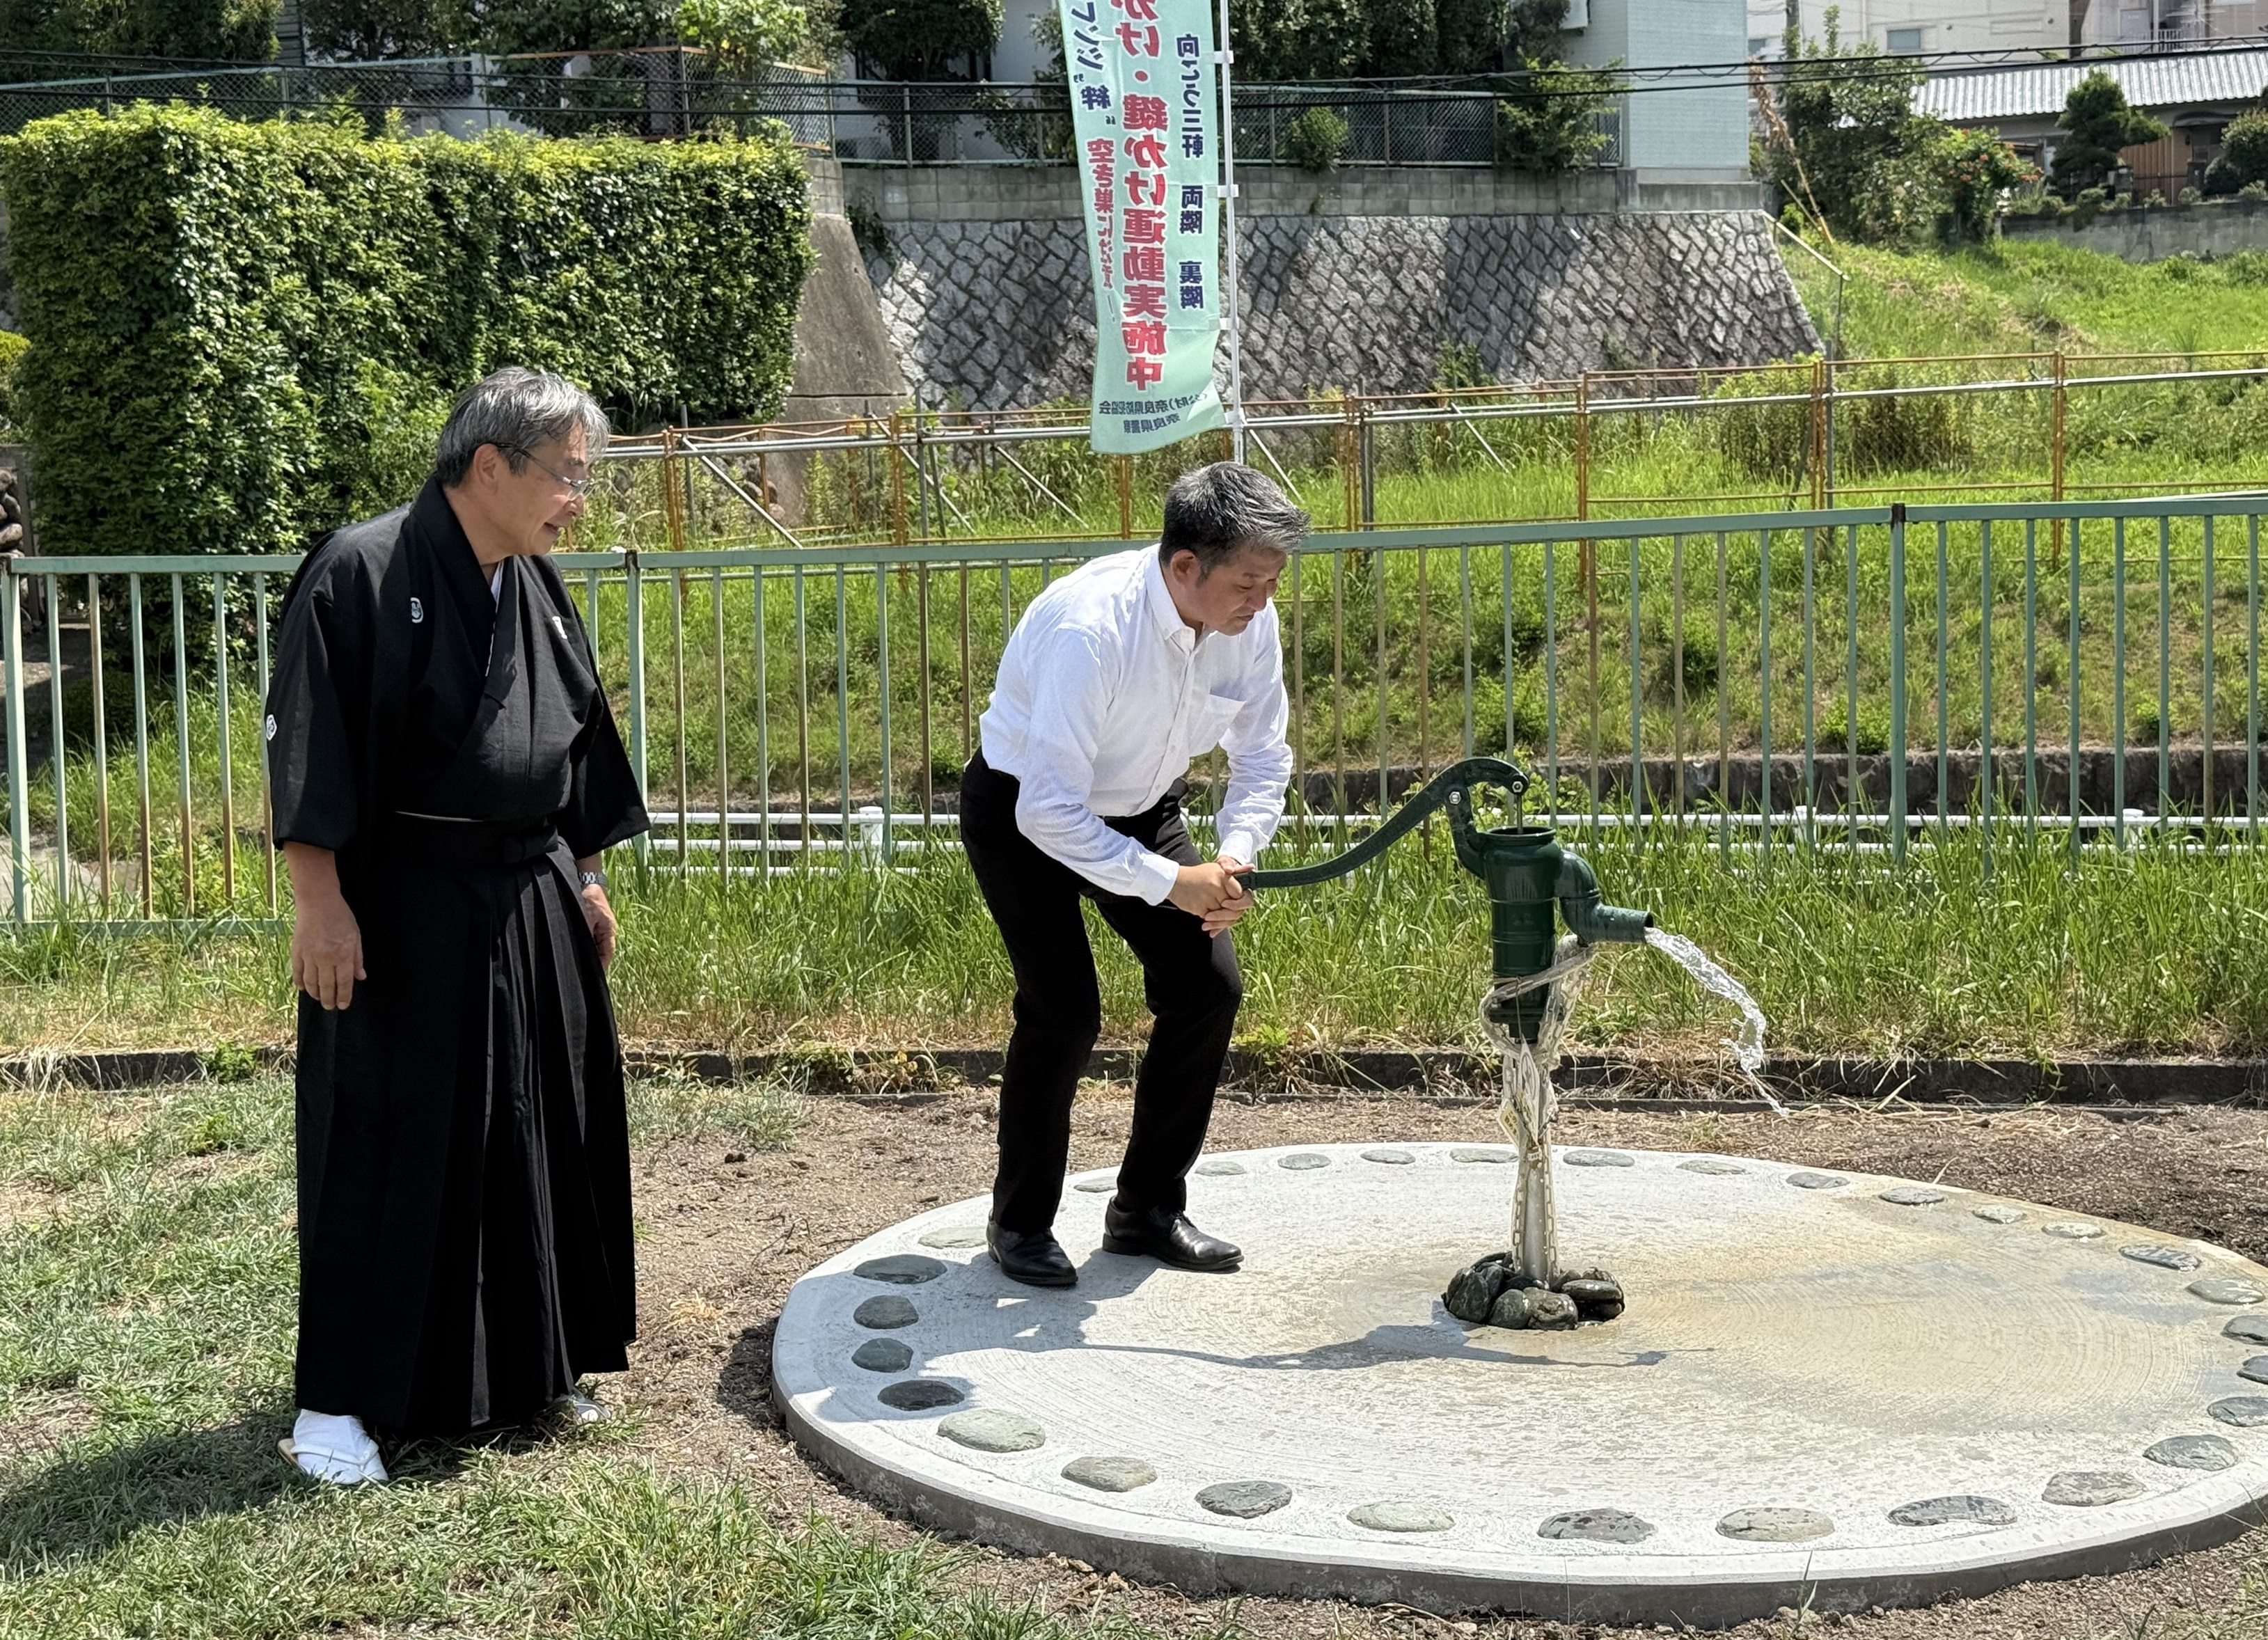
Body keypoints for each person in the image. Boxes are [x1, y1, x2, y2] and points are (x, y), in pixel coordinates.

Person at [263, 368, 649, 1484]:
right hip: (403, 902)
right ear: (489, 466)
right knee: (383, 1139)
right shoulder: (361, 569)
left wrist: (585, 874)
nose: (578, 499)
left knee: (537, 1128)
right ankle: (337, 1402)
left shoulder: (532, 578)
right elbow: (309, 743)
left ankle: (534, 1365)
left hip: (529, 889)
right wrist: (319, 904)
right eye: (567, 475)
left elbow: (575, 733)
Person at [961, 461, 1301, 1286]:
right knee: (1064, 1011)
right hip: (1025, 811)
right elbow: (1048, 811)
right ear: (1185, 565)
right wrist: (1171, 882)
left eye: (1271, 583)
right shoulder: (1091, 628)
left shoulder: (1247, 620)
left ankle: (1145, 1210)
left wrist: (1233, 856)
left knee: (1207, 986)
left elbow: (1263, 756)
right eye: (1248, 583)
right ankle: (1020, 1224)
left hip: (1142, 804)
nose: (1262, 602)